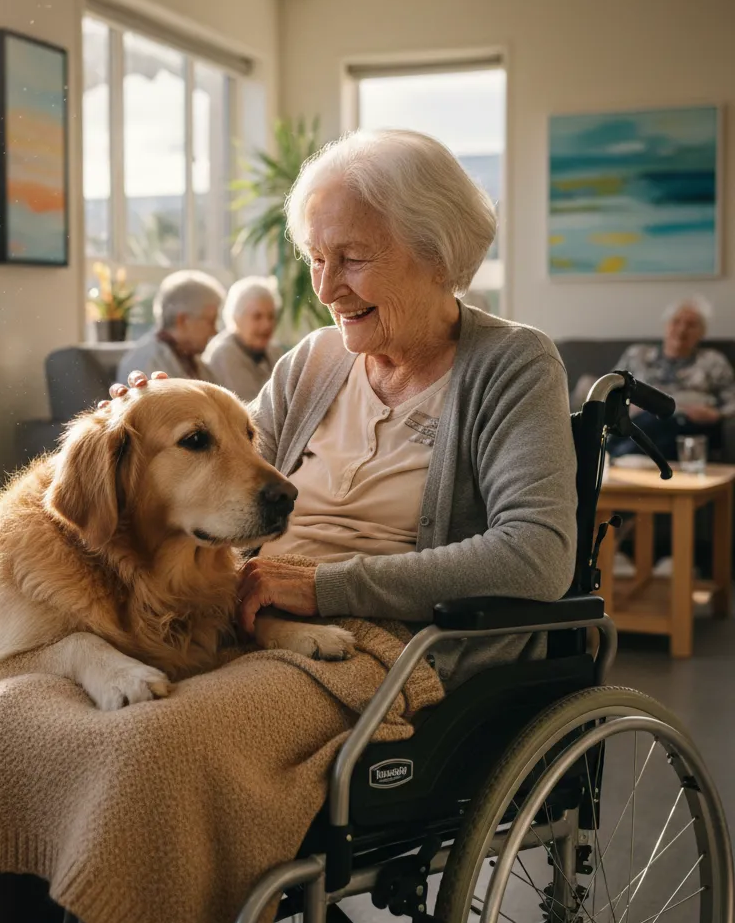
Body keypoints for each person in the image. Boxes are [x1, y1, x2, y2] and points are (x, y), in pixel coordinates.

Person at [113, 129, 577, 690]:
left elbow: (537, 555)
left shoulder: (513, 364)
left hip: (386, 646)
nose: (327, 289)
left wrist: (321, 586)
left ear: (439, 254)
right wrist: (160, 420)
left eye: (353, 258)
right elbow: (223, 483)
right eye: (316, 259)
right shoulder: (314, 360)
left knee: (145, 743)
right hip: (246, 624)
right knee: (22, 703)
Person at [608, 296, 735, 460]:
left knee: (666, 421)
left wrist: (716, 414)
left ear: (702, 333)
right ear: (666, 326)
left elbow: (732, 399)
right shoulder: (637, 354)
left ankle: (621, 454)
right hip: (640, 421)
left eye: (691, 325)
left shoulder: (712, 360)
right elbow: (609, 389)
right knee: (650, 421)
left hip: (690, 424)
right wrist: (626, 408)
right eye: (676, 322)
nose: (682, 330)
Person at [116, 270, 225, 385]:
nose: (214, 331)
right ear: (182, 321)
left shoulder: (193, 361)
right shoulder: (145, 364)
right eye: (210, 321)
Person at [203, 276, 283, 402]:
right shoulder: (224, 353)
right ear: (236, 318)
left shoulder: (273, 350)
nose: (267, 325)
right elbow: (249, 410)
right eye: (257, 317)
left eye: (271, 316)